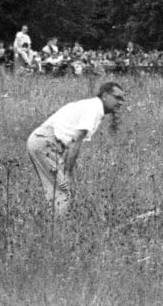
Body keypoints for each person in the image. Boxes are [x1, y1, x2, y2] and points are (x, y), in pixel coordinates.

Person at [27, 82, 126, 216]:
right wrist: (67, 173)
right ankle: (59, 229)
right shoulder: (94, 109)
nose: (121, 102)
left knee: (59, 188)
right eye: (117, 97)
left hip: (46, 142)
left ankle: (58, 223)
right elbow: (75, 142)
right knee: (61, 189)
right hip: (46, 142)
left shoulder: (91, 106)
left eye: (123, 99)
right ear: (105, 95)